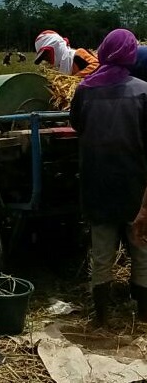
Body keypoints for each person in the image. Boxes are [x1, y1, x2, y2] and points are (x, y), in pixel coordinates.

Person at [70, 28, 147, 326]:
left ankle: (101, 317)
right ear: (129, 55)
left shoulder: (84, 90)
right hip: (135, 184)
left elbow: (76, 124)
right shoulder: (142, 91)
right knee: (141, 247)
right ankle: (142, 314)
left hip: (96, 182)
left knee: (102, 250)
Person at [34, 30, 98, 77]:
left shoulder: (78, 54)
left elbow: (97, 66)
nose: (45, 58)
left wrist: (74, 79)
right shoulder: (58, 69)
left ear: (57, 46)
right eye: (42, 57)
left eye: (46, 54)